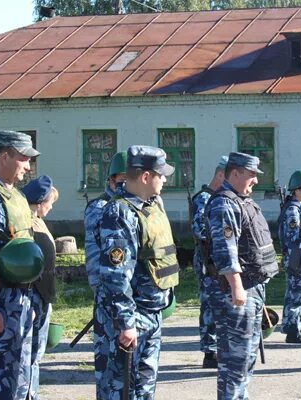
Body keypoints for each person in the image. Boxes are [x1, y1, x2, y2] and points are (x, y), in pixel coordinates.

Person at [95, 145, 179, 399]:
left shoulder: (151, 206)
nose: (164, 179)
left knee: (144, 387)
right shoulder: (120, 212)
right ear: (145, 177)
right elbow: (116, 275)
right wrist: (126, 323)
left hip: (151, 314)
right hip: (132, 317)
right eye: (160, 174)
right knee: (121, 388)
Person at [205, 152, 279, 399]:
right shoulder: (224, 203)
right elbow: (225, 249)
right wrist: (236, 287)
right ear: (234, 173)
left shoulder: (242, 200)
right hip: (237, 291)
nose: (256, 180)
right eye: (251, 175)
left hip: (252, 287)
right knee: (234, 361)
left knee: (246, 356)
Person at [0, 130, 40, 400]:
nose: (28, 166)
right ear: (4, 156)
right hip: (0, 299)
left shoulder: (18, 197)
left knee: (21, 374)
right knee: (0, 378)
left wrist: (29, 302)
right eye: (24, 159)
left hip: (21, 299)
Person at [22, 175, 59, 400]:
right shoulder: (27, 224)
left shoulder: (36, 220)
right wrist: (30, 301)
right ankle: (29, 394)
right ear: (39, 202)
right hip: (34, 295)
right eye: (50, 202)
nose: (51, 207)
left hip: (43, 294)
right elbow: (25, 265)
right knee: (31, 353)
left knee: (36, 354)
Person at [191, 155, 228, 368]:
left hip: (221, 259)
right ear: (220, 174)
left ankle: (220, 346)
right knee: (209, 305)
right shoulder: (204, 199)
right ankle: (210, 351)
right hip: (208, 260)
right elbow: (200, 230)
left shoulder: (221, 197)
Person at [278, 169, 301, 343]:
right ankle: (292, 329)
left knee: (298, 294)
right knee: (296, 294)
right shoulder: (293, 210)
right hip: (295, 257)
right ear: (295, 190)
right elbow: (293, 237)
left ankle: (294, 327)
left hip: (298, 257)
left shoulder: (299, 207)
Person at [84, 151, 127, 294]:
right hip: (105, 281)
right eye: (123, 179)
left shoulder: (127, 204)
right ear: (112, 180)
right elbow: (96, 252)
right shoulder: (99, 206)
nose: (126, 184)